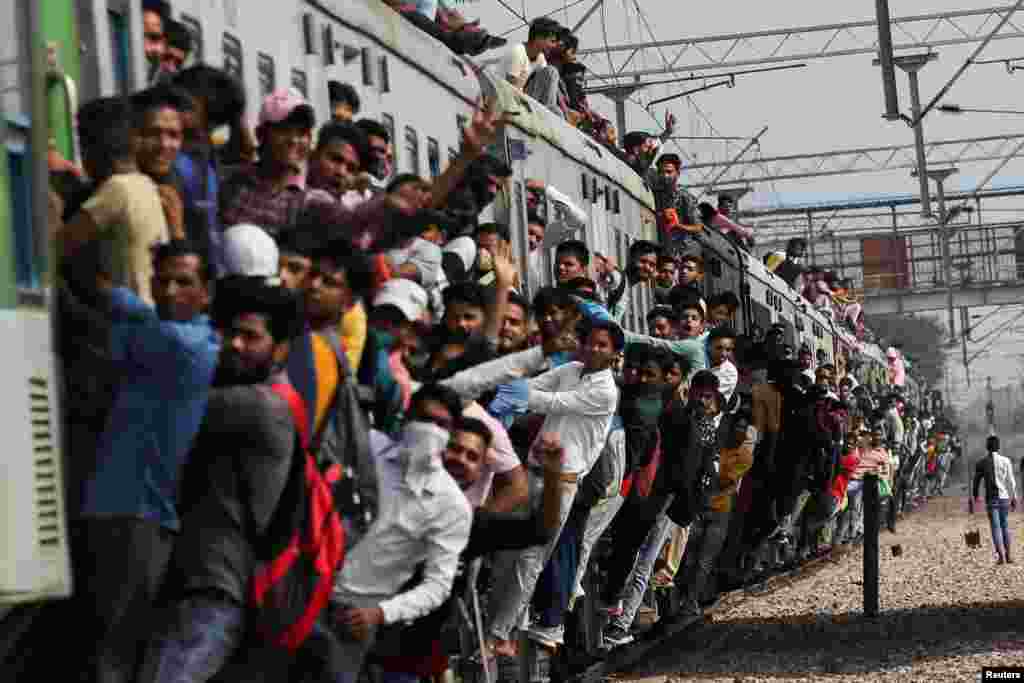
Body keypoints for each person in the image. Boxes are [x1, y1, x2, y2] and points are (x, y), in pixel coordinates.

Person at [140, 277, 305, 682]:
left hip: (214, 587)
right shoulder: (265, 395)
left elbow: (170, 402)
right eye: (232, 333)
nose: (235, 344)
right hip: (201, 579)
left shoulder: (260, 405)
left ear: (280, 349)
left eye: (251, 337)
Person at [73, 240, 218, 683]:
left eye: (184, 282)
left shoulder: (185, 345)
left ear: (206, 293)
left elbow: (108, 299)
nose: (170, 291)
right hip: (114, 507)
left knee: (111, 653)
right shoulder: (161, 328)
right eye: (163, 281)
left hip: (140, 516)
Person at [58, 97, 170, 306]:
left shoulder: (116, 190)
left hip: (128, 321)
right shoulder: (145, 184)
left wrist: (49, 201)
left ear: (90, 148)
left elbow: (58, 247)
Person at [972, 435, 1018, 564]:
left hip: (991, 499)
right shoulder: (1006, 461)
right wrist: (1014, 497)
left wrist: (976, 496)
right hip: (1004, 498)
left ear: (987, 447)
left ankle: (1001, 556)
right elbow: (1011, 481)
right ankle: (1009, 555)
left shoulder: (981, 463)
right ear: (998, 446)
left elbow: (976, 481)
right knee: (1005, 525)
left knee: (995, 528)